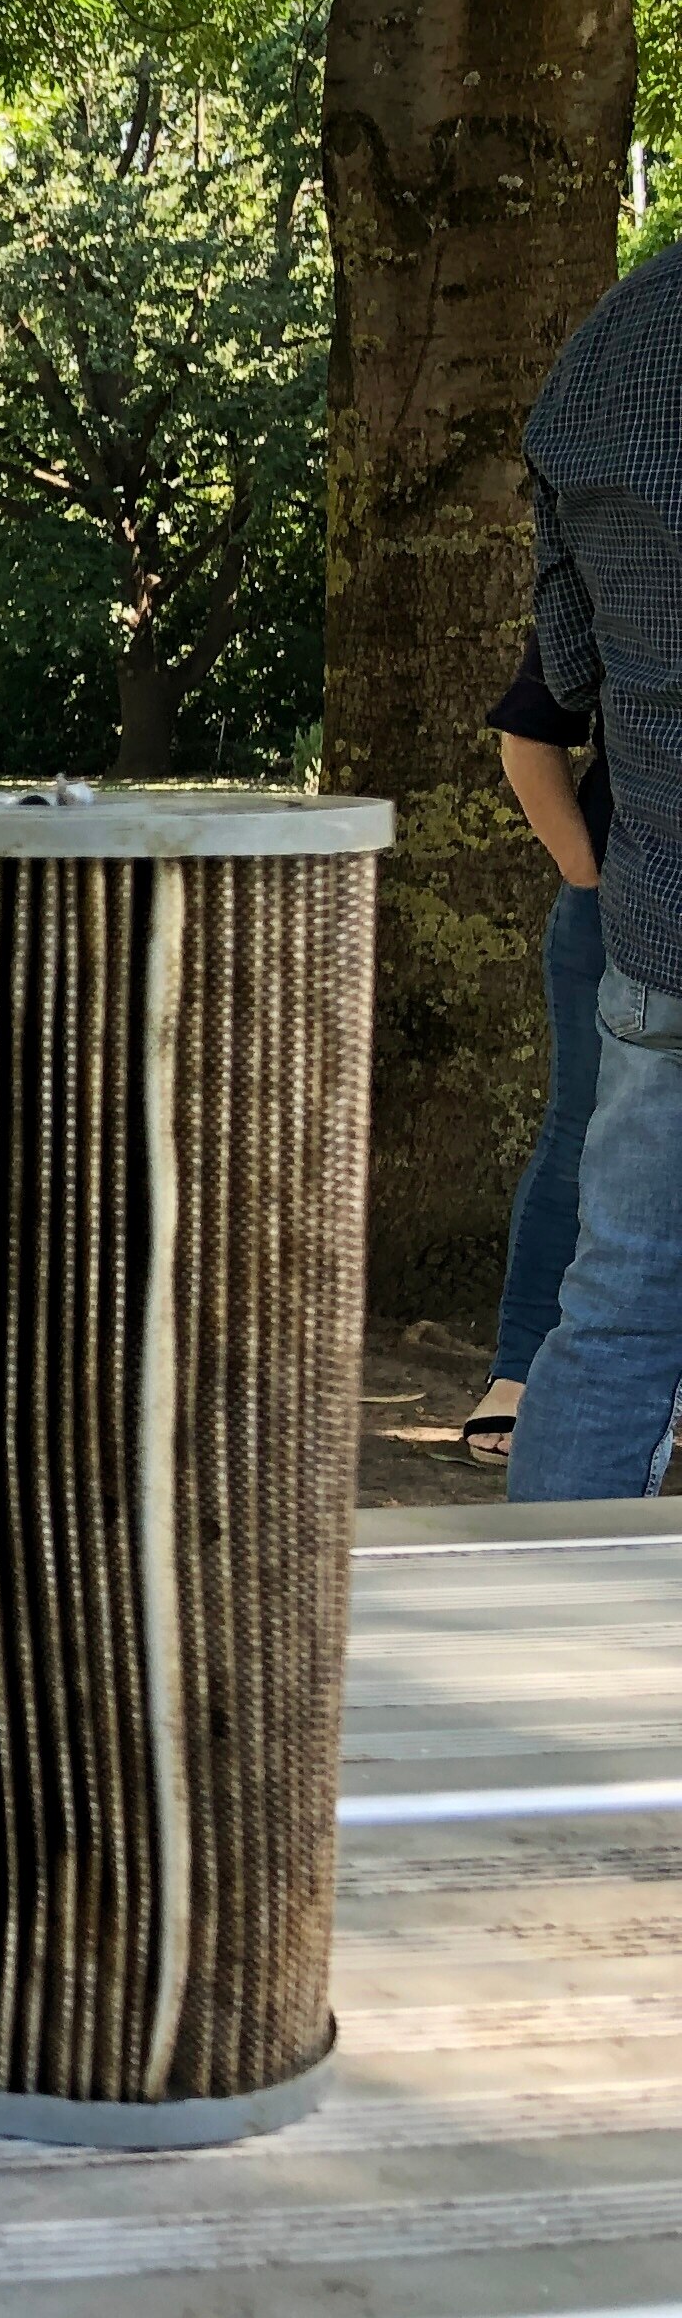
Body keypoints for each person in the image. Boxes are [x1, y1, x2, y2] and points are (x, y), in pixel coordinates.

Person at [507, 241, 682, 1504]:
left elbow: (565, 677)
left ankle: (529, 1661)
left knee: (615, 1308)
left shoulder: (603, 353)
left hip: (665, 920)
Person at [468, 636, 609, 1463]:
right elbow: (530, 733)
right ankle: (520, 1372)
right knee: (582, 1130)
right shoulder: (622, 533)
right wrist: (587, 875)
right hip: (623, 902)